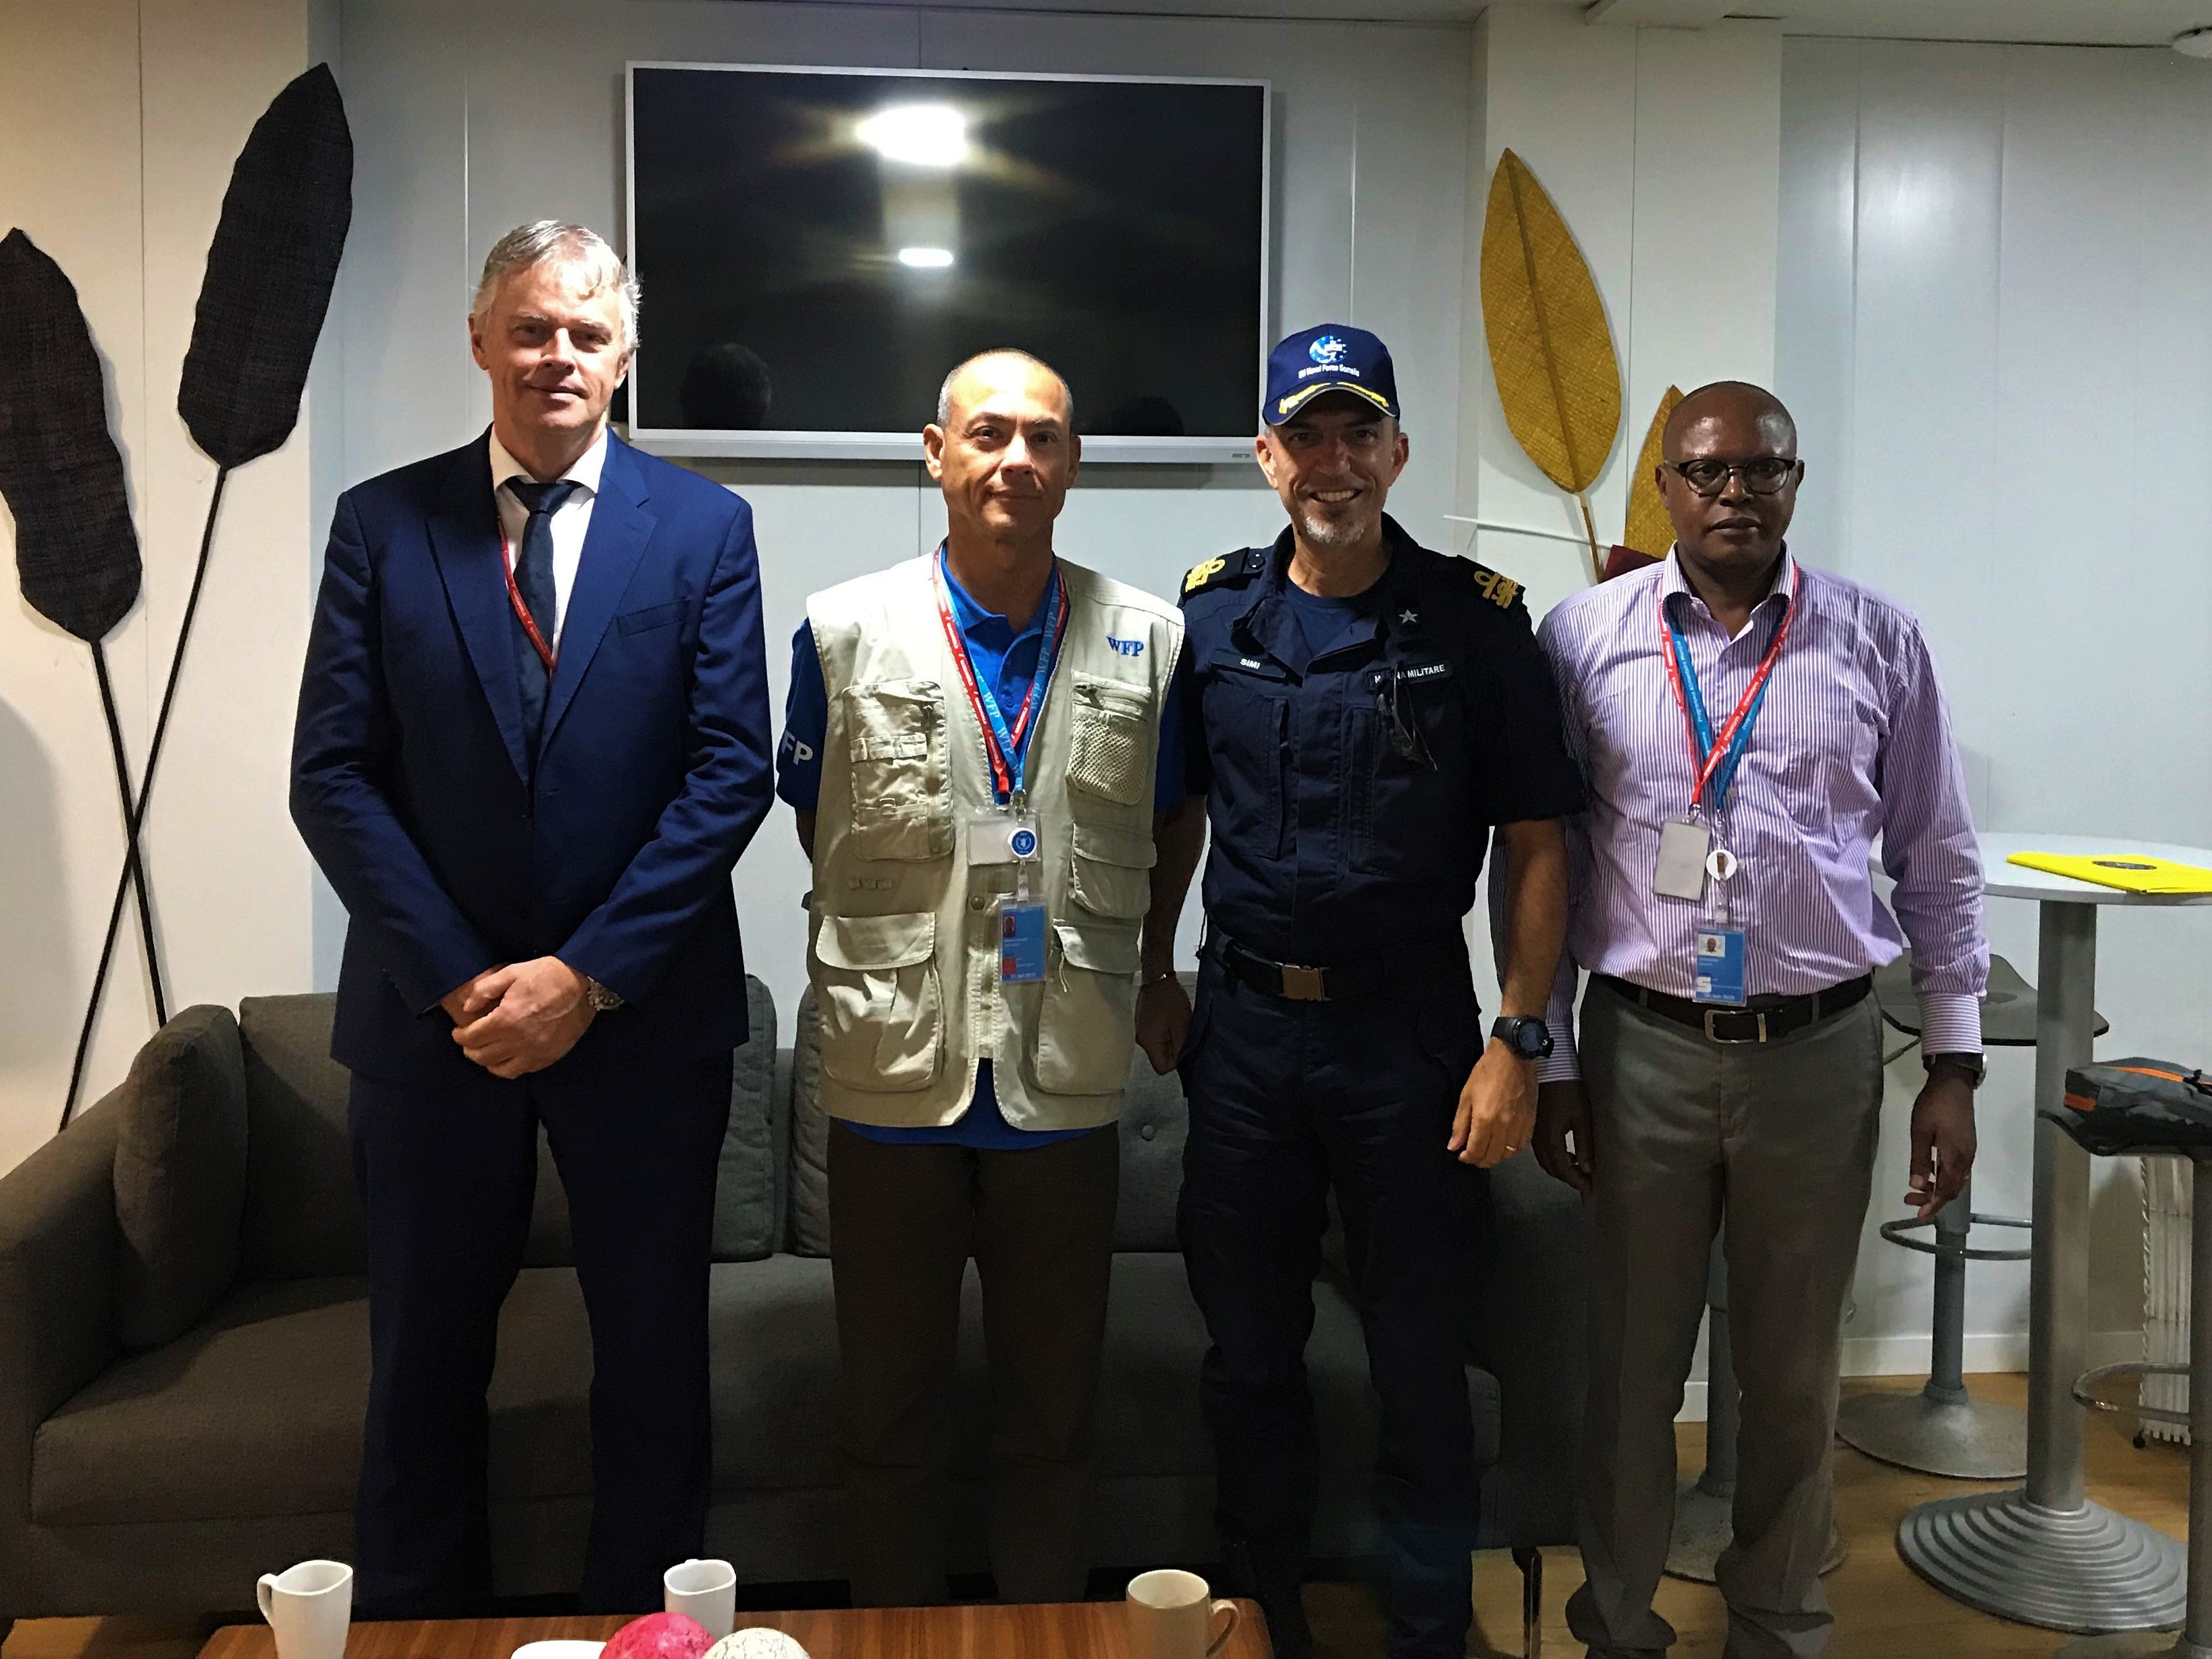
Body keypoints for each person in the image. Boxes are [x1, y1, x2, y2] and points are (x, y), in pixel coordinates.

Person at [290, 221, 774, 1616]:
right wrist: (464, 981)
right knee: (425, 1362)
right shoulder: (384, 522)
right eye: (531, 327)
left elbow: (728, 766)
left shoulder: (703, 528)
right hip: (432, 1029)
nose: (556, 354)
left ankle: (651, 1632)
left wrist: (587, 974)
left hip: (643, 1021)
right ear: (482, 340)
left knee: (654, 1358)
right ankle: (419, 1635)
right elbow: (331, 771)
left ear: (625, 355)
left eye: (585, 332)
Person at [1136, 324, 1583, 1659]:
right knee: (1253, 1353)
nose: (1334, 461)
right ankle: (1259, 1613)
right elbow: (1179, 813)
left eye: (1359, 433)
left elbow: (1541, 841)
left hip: (1411, 1038)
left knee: (1417, 1362)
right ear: (1267, 455)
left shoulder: (1477, 623)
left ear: (1396, 450)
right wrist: (1158, 964)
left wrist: (1518, 1036)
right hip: (1249, 1031)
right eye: (1306, 435)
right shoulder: (1210, 612)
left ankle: (1429, 1626)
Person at [1532, 381, 1987, 1659]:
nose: (1736, 493)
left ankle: (1778, 1621)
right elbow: (1549, 863)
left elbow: (1938, 858)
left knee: (1792, 1372)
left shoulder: (1879, 641)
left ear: (1797, 483)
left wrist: (1953, 1064)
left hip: (1821, 1050)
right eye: (1707, 471)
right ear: (1666, 487)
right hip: (1641, 1051)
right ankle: (1617, 1622)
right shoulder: (1584, 638)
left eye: (1763, 472)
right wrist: (1553, 1056)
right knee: (1628, 1367)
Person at [776, 348, 1192, 1606]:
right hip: (894, 1080)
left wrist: (1159, 962)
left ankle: (1042, 1640)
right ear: (936, 452)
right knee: (886, 1418)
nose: (1017, 457)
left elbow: (1177, 822)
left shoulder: (1149, 638)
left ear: (1075, 465)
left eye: (1045, 437)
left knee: (1054, 1420)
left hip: (1062, 1083)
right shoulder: (842, 629)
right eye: (989, 434)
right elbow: (819, 817)